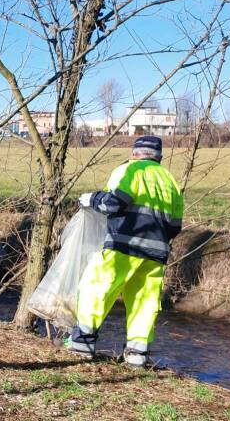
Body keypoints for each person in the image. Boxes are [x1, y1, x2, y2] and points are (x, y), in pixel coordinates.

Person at [68, 136, 184, 368]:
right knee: (145, 300)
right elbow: (175, 226)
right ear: (159, 158)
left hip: (124, 243)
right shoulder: (170, 181)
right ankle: (136, 355)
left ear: (134, 154)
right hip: (156, 252)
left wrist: (92, 198)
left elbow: (113, 204)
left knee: (98, 287)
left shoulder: (130, 170)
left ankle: (82, 343)